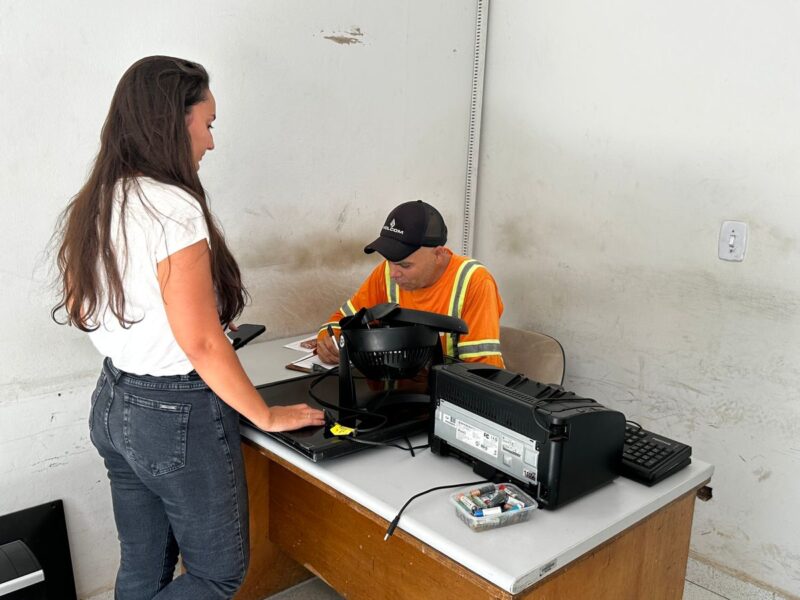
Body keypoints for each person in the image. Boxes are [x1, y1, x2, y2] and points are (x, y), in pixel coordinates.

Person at [51, 56, 324, 599]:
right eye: (209, 123)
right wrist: (265, 413)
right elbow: (199, 343)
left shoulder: (98, 200)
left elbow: (88, 307)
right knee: (216, 575)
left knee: (143, 566)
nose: (212, 142)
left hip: (113, 401)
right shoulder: (172, 207)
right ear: (174, 124)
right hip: (175, 413)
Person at [316, 200, 505, 368]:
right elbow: (341, 319)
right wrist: (329, 340)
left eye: (405, 265)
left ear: (438, 254)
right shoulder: (387, 272)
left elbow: (482, 370)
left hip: (450, 397)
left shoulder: (475, 282)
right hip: (395, 389)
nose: (394, 273)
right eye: (390, 261)